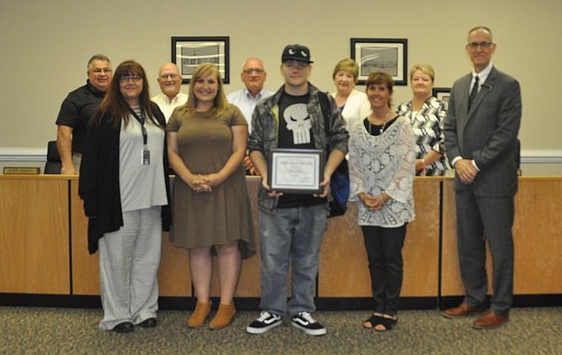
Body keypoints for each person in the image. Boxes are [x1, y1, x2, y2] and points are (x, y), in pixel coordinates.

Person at [246, 44, 348, 337]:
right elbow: (254, 146)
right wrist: (266, 176)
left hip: (314, 197)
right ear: (281, 68)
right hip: (275, 199)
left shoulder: (325, 102)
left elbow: (341, 140)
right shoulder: (267, 107)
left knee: (307, 259)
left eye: (301, 64)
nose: (295, 68)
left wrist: (327, 174)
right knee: (272, 261)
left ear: (309, 68)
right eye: (290, 63)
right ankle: (272, 311)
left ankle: (302, 309)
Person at [78, 60, 170, 333]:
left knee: (147, 258)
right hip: (118, 202)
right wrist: (90, 200)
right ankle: (117, 315)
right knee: (117, 260)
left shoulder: (154, 112)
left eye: (136, 77)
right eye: (125, 78)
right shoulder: (104, 115)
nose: (131, 82)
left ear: (144, 82)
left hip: (153, 198)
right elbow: (91, 161)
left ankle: (144, 310)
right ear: (117, 83)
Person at [442, 26, 522, 330]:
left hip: (494, 181)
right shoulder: (460, 86)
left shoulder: (508, 85)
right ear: (467, 49)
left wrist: (475, 163)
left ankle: (500, 307)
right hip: (464, 179)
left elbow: (506, 135)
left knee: (500, 247)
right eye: (474, 44)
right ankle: (474, 298)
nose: (478, 49)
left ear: (493, 48)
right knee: (468, 244)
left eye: (484, 44)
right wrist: (458, 160)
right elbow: (449, 129)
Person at [167, 63, 255, 330]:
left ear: (218, 86)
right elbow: (171, 152)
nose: (205, 87)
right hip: (189, 188)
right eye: (200, 82)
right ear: (193, 85)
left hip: (226, 186)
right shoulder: (178, 114)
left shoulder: (232, 113)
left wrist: (217, 178)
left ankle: (227, 304)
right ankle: (203, 303)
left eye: (211, 82)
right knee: (198, 245)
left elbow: (240, 150)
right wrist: (189, 178)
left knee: (227, 244)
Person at [348, 71, 416, 332]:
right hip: (368, 204)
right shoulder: (358, 129)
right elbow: (353, 163)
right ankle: (378, 307)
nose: (376, 93)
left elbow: (406, 165)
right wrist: (363, 194)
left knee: (391, 257)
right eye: (372, 89)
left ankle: (391, 310)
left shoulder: (403, 125)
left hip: (394, 205)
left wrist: (387, 195)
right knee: (374, 258)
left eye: (381, 89)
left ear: (389, 93)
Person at [55, 54, 112, 174]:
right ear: (88, 74)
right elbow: (63, 132)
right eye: (97, 70)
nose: (102, 74)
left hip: (115, 159)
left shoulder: (121, 97)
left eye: (106, 70)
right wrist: (67, 165)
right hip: (83, 160)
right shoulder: (75, 98)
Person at [396, 63, 449, 176]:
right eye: (416, 79)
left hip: (433, 172)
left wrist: (423, 162)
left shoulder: (440, 107)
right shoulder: (402, 109)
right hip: (404, 174)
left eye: (425, 79)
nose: (420, 82)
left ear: (432, 83)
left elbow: (446, 140)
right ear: (411, 83)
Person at [228, 57, 273, 174]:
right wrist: (244, 156)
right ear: (242, 76)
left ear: (265, 75)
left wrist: (257, 158)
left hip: (269, 163)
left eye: (258, 71)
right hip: (236, 164)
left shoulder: (275, 101)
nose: (253, 75)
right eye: (249, 71)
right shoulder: (229, 101)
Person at [331, 58, 370, 133]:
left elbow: (366, 130)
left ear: (354, 81)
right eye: (340, 75)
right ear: (334, 78)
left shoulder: (363, 99)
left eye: (349, 76)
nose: (344, 79)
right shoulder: (328, 98)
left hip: (353, 144)